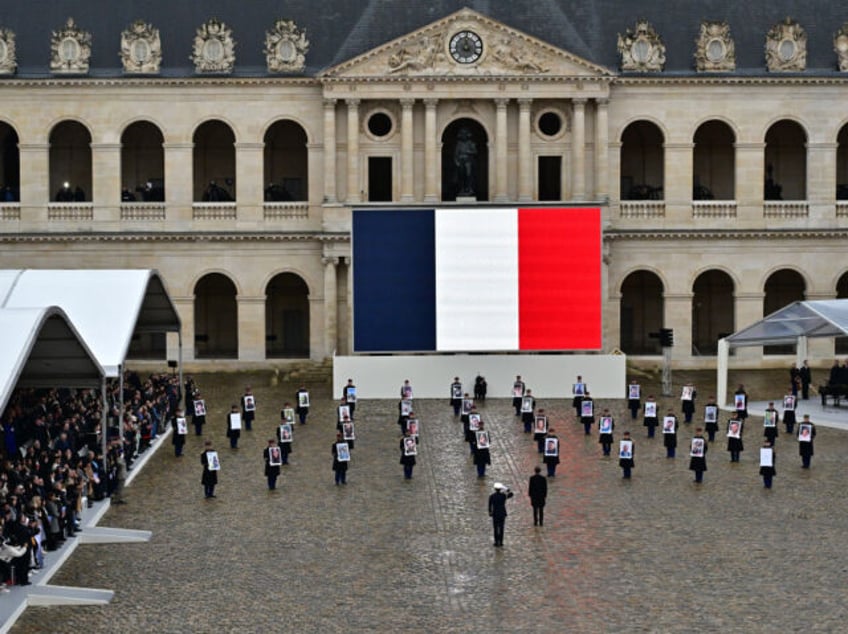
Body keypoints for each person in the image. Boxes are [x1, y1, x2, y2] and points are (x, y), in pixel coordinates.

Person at [454, 126, 478, 196]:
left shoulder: (471, 143)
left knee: (468, 175)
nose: (463, 135)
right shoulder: (459, 143)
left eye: (465, 134)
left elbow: (475, 152)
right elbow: (455, 154)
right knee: (461, 176)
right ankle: (462, 189)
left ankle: (469, 189)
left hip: (468, 161)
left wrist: (468, 152)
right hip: (461, 162)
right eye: (462, 134)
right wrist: (456, 162)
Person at [488, 483, 513, 547]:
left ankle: (496, 542)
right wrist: (506, 489)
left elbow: (490, 505)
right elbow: (511, 494)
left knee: (495, 528)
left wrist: (490, 512)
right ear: (500, 489)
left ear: (495, 489)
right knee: (501, 527)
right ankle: (501, 542)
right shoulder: (503, 496)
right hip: (502, 513)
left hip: (495, 513)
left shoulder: (492, 496)